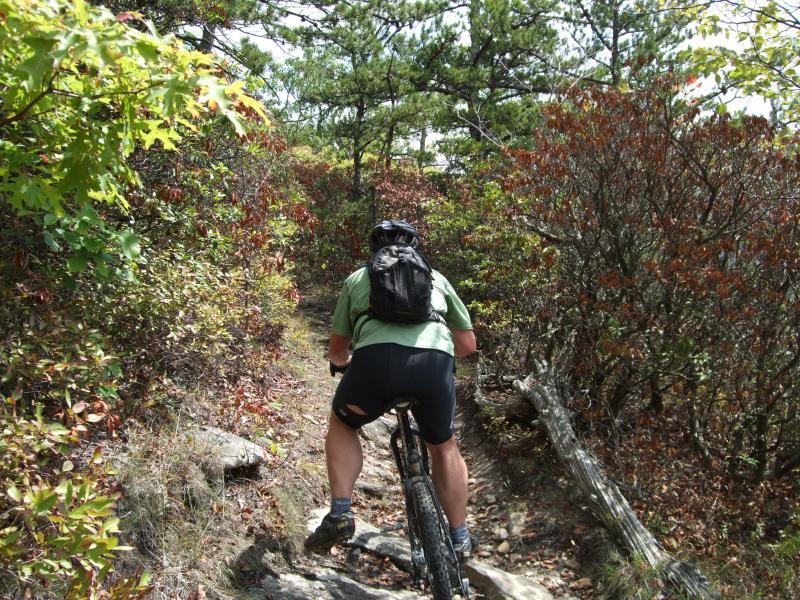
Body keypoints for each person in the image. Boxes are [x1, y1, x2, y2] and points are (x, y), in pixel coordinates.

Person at [305, 220, 477, 557]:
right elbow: (468, 344)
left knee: (342, 422)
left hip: (374, 366)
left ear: (374, 250)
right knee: (443, 446)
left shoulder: (358, 278)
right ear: (416, 248)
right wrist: (440, 357)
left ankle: (341, 512)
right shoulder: (436, 277)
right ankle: (459, 537)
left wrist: (342, 365)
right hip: (434, 367)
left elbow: (338, 349)